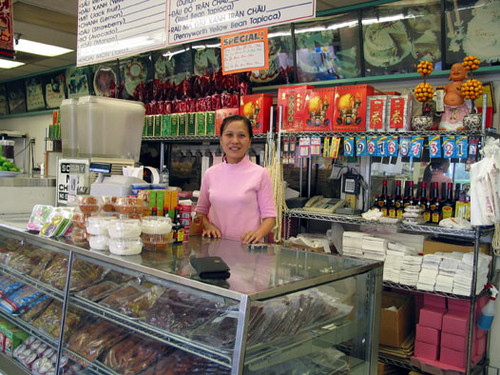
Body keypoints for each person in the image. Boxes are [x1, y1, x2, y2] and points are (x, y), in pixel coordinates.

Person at [195, 115, 277, 244]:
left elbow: (270, 218)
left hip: (248, 251)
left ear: (250, 141)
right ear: (221, 140)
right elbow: (200, 212)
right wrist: (208, 226)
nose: (235, 141)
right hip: (216, 249)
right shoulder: (210, 173)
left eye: (241, 135)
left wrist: (257, 235)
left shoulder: (260, 173)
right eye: (229, 135)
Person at [439, 63, 470, 130]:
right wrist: (441, 89)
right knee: (444, 123)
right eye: (453, 70)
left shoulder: (465, 85)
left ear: (465, 73)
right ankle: (445, 127)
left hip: (460, 109)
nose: (455, 71)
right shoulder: (448, 86)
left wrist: (462, 91)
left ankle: (460, 127)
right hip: (447, 109)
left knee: (461, 122)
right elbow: (442, 92)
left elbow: (467, 97)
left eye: (459, 69)